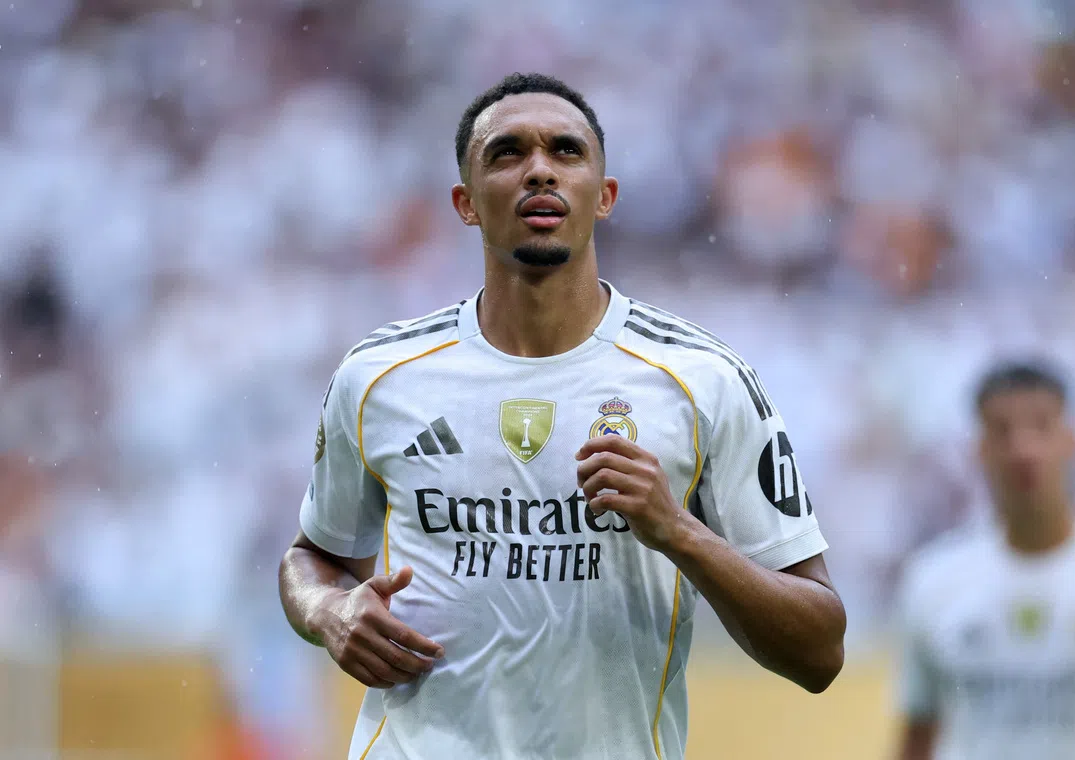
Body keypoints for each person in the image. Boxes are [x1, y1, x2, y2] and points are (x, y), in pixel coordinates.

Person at [278, 72, 846, 760]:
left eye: (566, 151)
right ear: (465, 203)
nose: (540, 170)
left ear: (604, 196)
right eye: (508, 153)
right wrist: (330, 611)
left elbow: (820, 650)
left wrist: (678, 532)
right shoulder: (379, 376)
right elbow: (314, 556)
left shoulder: (704, 381)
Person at [894, 361, 1075, 760]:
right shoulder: (933, 579)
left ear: (1074, 439)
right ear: (979, 448)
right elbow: (917, 737)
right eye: (1002, 431)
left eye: (1042, 426)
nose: (1023, 450)